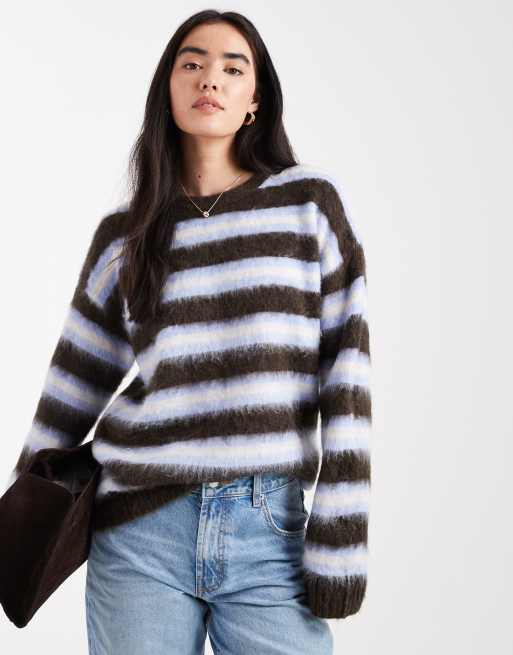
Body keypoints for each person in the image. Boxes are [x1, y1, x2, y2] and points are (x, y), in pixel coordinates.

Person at [4, 9, 372, 654]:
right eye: (192, 64)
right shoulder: (126, 234)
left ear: (255, 100)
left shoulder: (307, 205)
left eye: (233, 68)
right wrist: (18, 524)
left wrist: (341, 540)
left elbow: (347, 372)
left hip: (270, 527)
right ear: (168, 89)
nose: (210, 79)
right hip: (138, 530)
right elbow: (72, 385)